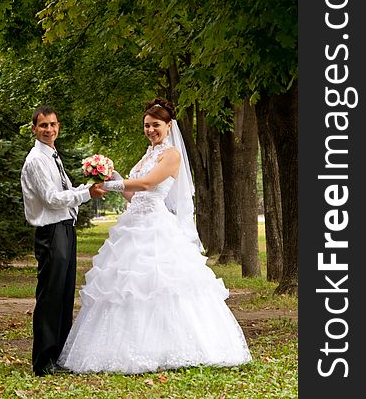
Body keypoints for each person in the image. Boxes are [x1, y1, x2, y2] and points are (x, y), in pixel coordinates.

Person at [57, 98, 252, 374]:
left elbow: (149, 184)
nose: (150, 130)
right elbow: (132, 194)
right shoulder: (147, 155)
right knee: (125, 288)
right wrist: (109, 174)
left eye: (156, 125)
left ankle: (176, 347)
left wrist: (114, 183)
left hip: (156, 227)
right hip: (133, 223)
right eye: (147, 125)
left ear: (168, 126)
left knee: (161, 285)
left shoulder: (171, 155)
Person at [20, 105, 106, 377]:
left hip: (65, 229)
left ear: (58, 127)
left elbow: (64, 191)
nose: (49, 130)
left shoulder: (53, 156)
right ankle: (43, 361)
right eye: (43, 125)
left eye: (53, 125)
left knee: (65, 294)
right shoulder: (36, 160)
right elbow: (51, 198)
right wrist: (85, 196)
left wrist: (90, 187)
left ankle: (59, 356)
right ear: (34, 129)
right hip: (51, 231)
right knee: (50, 296)